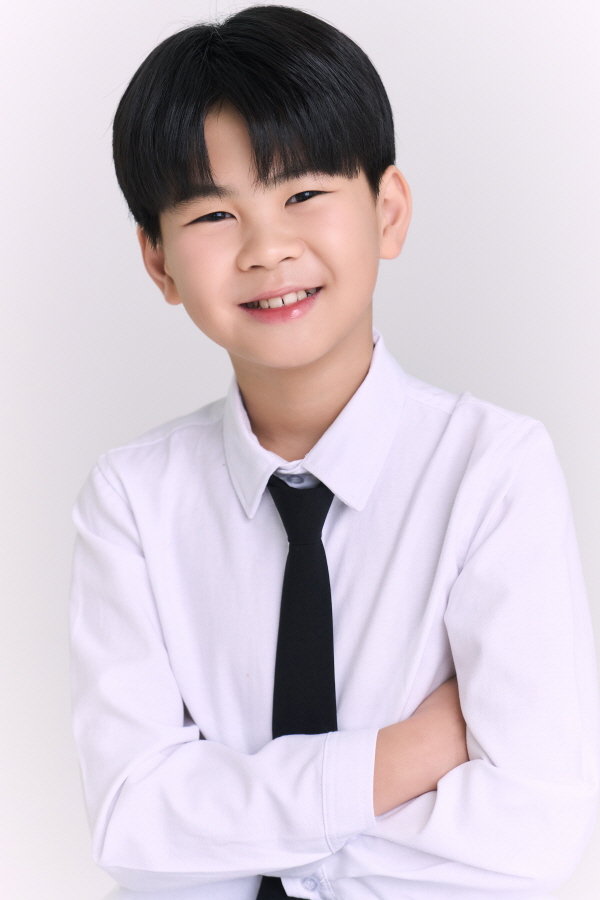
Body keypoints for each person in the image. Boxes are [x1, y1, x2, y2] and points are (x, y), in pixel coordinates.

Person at [70, 6, 598, 900]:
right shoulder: (132, 501)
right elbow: (134, 823)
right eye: (213, 213)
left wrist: (238, 830)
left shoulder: (493, 471)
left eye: (303, 195)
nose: (267, 248)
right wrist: (403, 757)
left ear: (387, 212)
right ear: (158, 263)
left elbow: (535, 835)